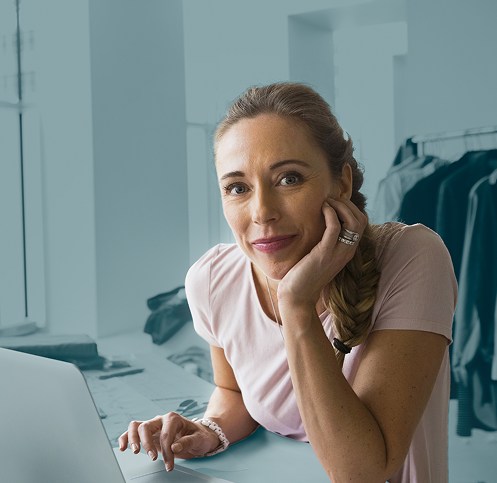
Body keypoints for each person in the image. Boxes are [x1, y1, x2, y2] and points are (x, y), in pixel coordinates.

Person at [118, 83, 457, 483]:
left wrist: (297, 305)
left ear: (341, 184)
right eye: (237, 188)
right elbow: (235, 392)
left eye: (289, 179)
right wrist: (210, 430)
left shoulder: (412, 256)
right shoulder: (211, 279)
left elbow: (362, 470)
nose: (262, 212)